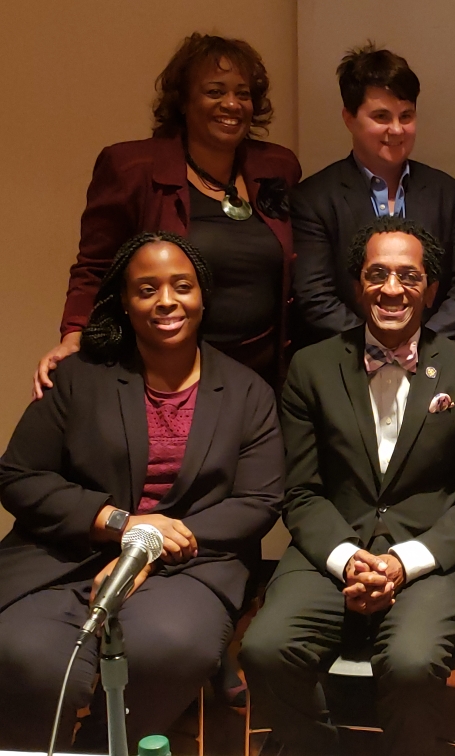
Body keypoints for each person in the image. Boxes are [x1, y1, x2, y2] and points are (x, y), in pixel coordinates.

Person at [0, 232, 283, 750]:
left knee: (168, 646)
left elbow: (259, 501)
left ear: (203, 296)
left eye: (182, 286)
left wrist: (153, 545)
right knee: (23, 650)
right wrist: (119, 523)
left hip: (190, 561)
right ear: (124, 304)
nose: (167, 301)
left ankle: (105, 749)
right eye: (147, 289)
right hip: (69, 553)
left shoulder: (248, 392)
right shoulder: (79, 376)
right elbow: (19, 475)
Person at [239, 215, 455, 756]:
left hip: (433, 559)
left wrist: (403, 562)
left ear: (431, 289)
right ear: (357, 284)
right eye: (377, 273)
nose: (391, 289)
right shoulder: (311, 368)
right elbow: (301, 491)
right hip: (331, 550)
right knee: (265, 649)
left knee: (409, 665)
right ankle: (318, 747)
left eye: (408, 276)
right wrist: (346, 558)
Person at [34, 32, 302, 395]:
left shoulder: (277, 166)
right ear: (183, 101)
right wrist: (73, 335)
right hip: (165, 375)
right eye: (215, 91)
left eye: (243, 93)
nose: (232, 104)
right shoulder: (132, 168)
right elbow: (95, 266)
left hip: (263, 378)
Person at [292, 43, 455, 345]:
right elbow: (315, 296)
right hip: (347, 362)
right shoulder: (313, 198)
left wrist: (420, 348)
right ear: (349, 118)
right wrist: (376, 349)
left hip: (434, 363)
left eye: (406, 116)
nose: (396, 129)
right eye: (381, 117)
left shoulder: (450, 195)